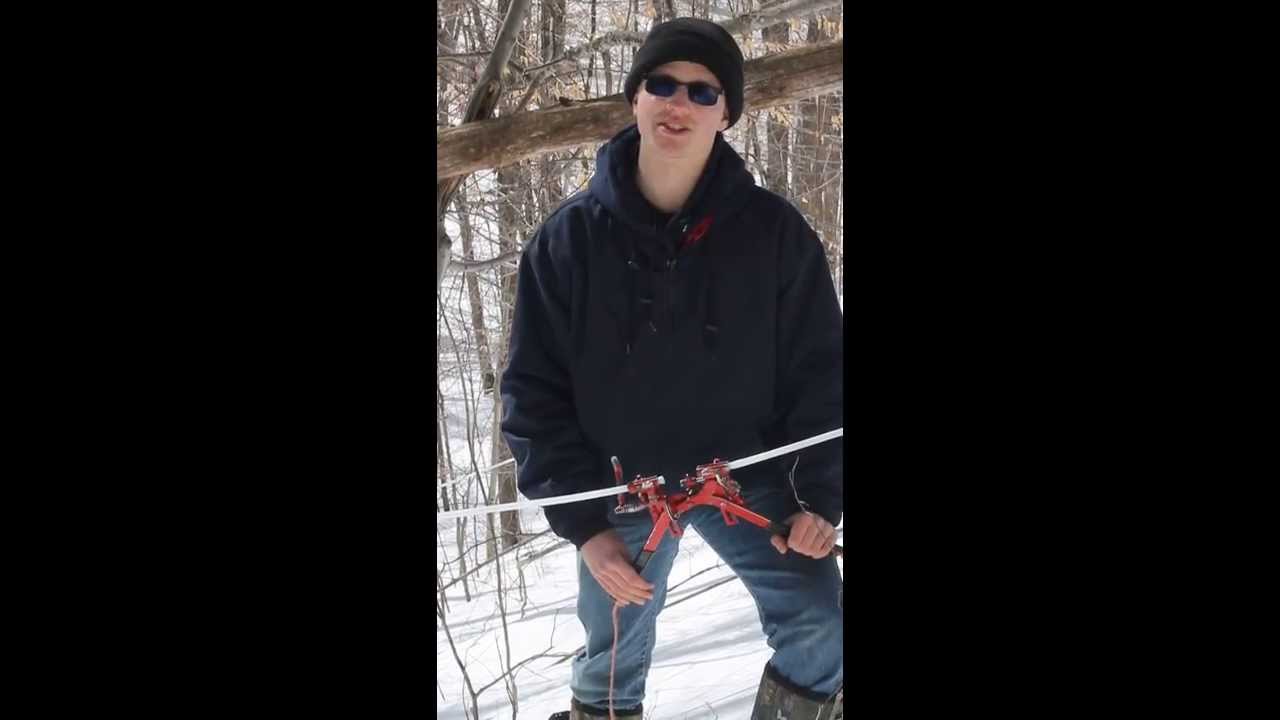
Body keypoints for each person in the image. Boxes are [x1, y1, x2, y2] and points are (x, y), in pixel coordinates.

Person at [500, 17, 843, 720]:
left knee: (824, 634)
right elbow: (533, 393)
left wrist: (820, 503)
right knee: (609, 668)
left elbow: (823, 371)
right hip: (621, 486)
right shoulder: (566, 242)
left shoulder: (774, 234)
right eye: (661, 84)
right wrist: (585, 530)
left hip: (748, 476)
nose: (677, 101)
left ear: (727, 114)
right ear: (635, 99)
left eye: (701, 90)